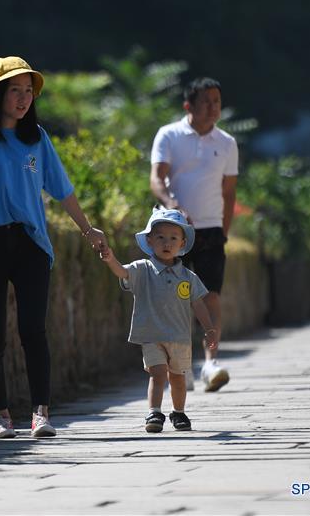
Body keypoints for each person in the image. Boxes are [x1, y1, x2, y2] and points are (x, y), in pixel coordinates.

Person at [0, 55, 108, 439]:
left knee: (34, 330)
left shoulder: (37, 139)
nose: (23, 98)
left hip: (31, 243)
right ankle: (1, 416)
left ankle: (41, 414)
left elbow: (62, 190)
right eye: (15, 90)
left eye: (28, 91)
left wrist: (88, 230)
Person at [149, 77, 238, 392]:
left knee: (210, 296)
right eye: (206, 102)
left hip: (212, 229)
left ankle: (211, 362)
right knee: (174, 299)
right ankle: (179, 366)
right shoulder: (169, 135)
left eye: (217, 101)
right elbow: (157, 179)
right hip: (174, 231)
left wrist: (223, 232)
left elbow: (229, 193)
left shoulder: (227, 143)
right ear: (189, 106)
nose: (213, 108)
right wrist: (172, 204)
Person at [99, 208, 218, 432]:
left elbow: (198, 304)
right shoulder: (142, 269)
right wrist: (110, 259)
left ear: (182, 244)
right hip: (151, 334)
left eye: (173, 238)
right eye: (160, 237)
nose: (167, 242)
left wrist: (209, 328)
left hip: (179, 337)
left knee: (178, 377)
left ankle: (179, 412)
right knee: (157, 373)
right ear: (149, 241)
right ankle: (154, 412)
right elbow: (122, 273)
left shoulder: (188, 277)